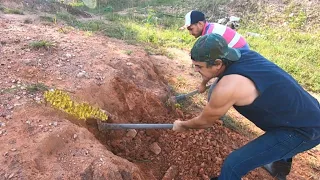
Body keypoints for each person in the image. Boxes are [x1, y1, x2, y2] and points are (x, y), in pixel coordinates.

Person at [172, 33, 320, 180]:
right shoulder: (243, 55)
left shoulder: (229, 87)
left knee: (234, 164)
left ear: (218, 63)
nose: (195, 70)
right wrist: (203, 82)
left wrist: (183, 125)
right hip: (308, 110)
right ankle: (279, 165)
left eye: (199, 66)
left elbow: (204, 122)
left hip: (303, 131)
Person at [182, 10, 250, 99]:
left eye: (191, 29)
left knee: (214, 95)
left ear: (200, 24)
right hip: (239, 53)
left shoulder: (210, 36)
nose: (190, 33)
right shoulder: (210, 28)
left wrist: (203, 84)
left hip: (239, 59)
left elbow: (210, 65)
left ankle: (216, 111)